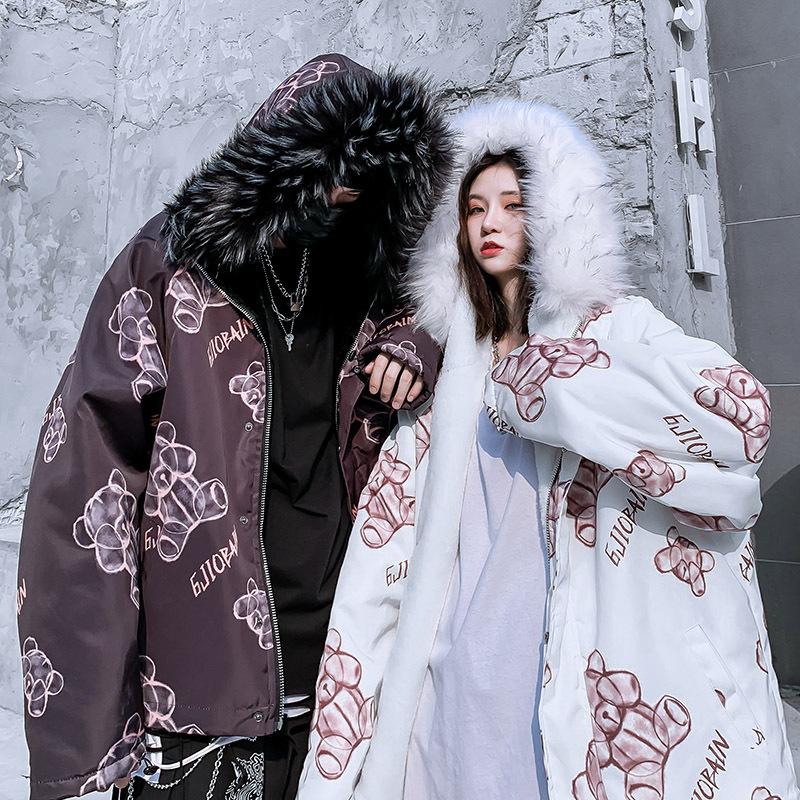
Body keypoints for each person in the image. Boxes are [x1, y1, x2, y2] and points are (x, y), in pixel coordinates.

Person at [294, 100, 799, 800]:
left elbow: (742, 416)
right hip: (454, 704)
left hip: (572, 690)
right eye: (474, 209)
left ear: (556, 214)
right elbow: (380, 564)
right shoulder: (444, 384)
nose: (490, 223)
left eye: (512, 204)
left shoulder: (617, 329)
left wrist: (557, 383)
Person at [16, 53, 453, 800]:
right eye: (331, 169)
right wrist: (84, 756)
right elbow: (83, 502)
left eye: (362, 179)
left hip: (345, 691)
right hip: (200, 712)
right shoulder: (168, 269)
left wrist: (420, 340)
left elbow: (469, 305)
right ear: (280, 158)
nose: (342, 193)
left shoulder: (368, 269)